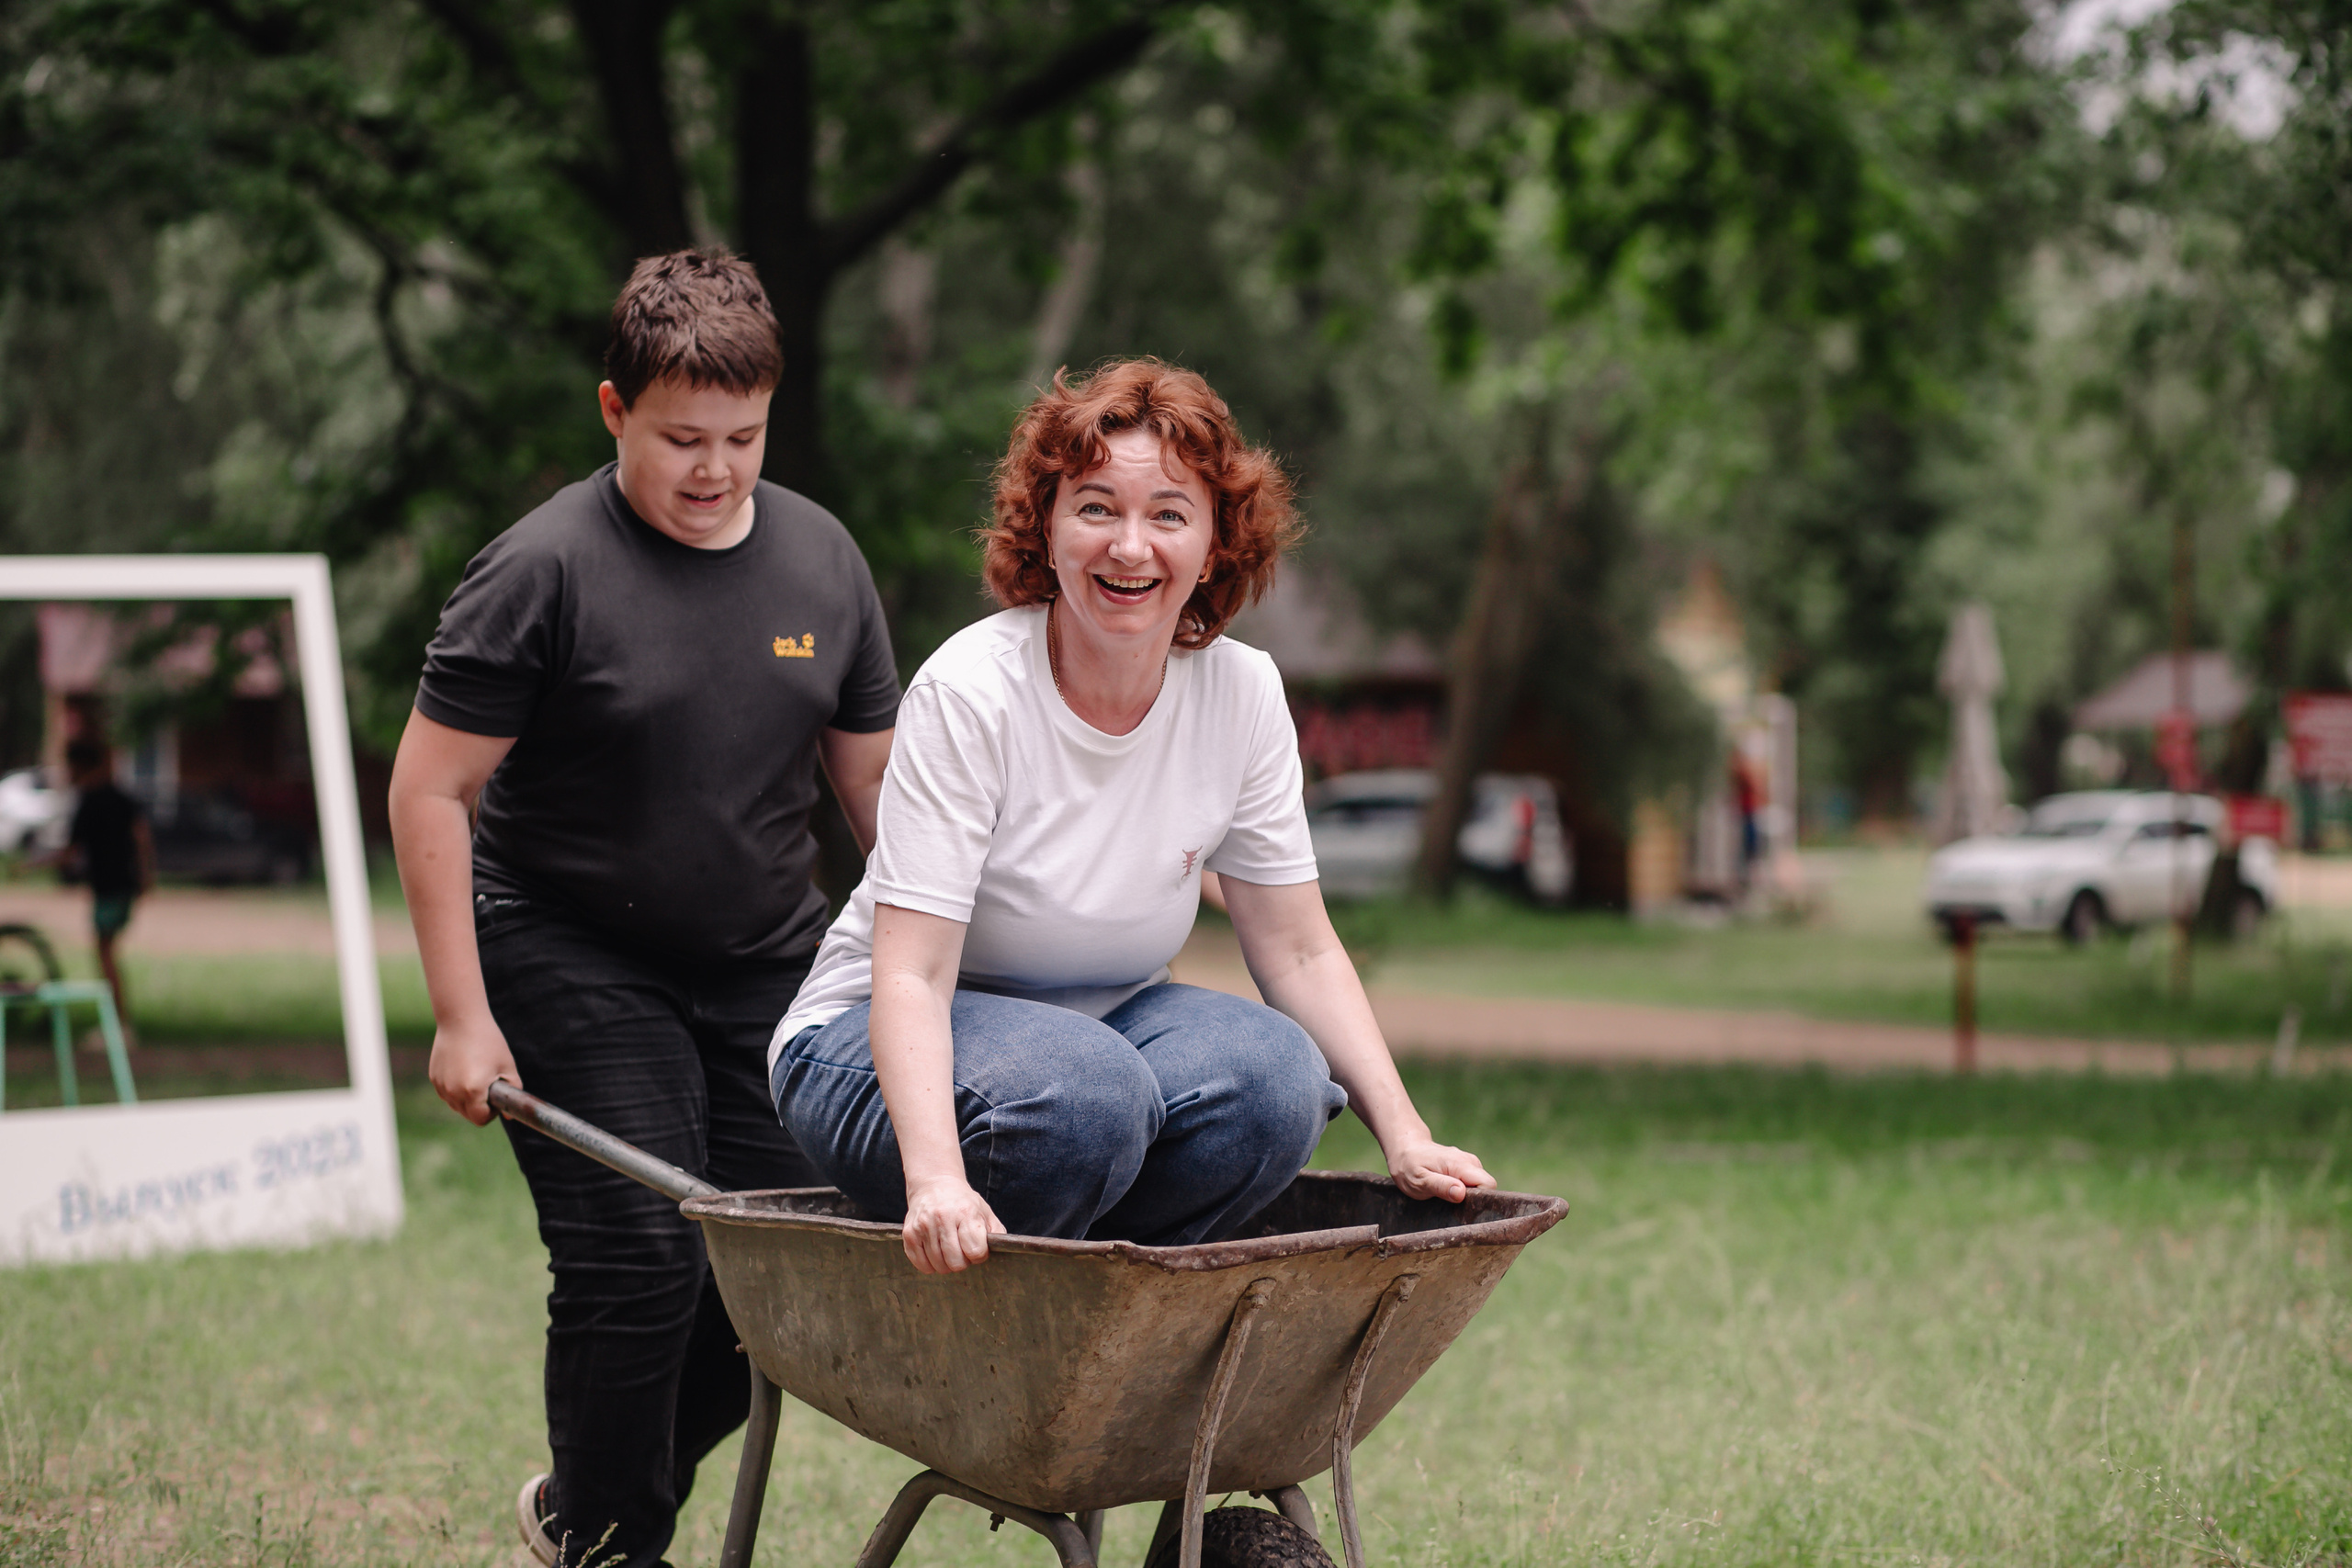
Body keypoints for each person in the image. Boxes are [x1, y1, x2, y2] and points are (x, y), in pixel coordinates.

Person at [387, 250, 899, 1568]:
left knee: (783, 1279)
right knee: (636, 1261)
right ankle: (617, 1546)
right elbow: (431, 790)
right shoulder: (540, 569)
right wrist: (460, 1015)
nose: (716, 468)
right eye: (682, 438)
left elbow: (874, 791)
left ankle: (589, 1505)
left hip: (767, 961)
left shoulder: (823, 561)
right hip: (568, 944)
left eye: (744, 436)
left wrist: (946, 962)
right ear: (615, 410)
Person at [770, 360, 1491, 1277]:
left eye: (1169, 514)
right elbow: (912, 972)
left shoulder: (1241, 693)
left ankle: (1111, 1317)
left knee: (1280, 1078)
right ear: (1048, 526)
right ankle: (1012, 1302)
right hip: (872, 1046)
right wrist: (937, 1181)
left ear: (1214, 543)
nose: (1130, 546)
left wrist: (1406, 1135)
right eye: (1096, 507)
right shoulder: (972, 690)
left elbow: (1300, 951)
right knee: (1086, 1092)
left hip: (1100, 1041)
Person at [61, 739, 153, 1021]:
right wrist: (146, 874)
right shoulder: (119, 796)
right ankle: (116, 1020)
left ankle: (119, 1021)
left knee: (105, 953)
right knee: (106, 950)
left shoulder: (89, 801)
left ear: (78, 766)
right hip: (124, 883)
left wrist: (29, 865)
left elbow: (70, 852)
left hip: (109, 887)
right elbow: (142, 835)